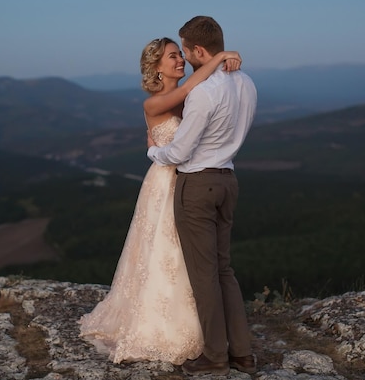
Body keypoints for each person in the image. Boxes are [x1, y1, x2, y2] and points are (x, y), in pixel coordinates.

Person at [78, 36, 242, 365]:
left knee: (192, 256)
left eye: (181, 54)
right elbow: (191, 88)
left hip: (191, 182)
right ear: (156, 68)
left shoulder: (192, 95)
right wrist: (221, 55)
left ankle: (205, 329)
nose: (180, 60)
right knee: (164, 251)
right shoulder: (154, 103)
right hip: (165, 185)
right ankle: (167, 325)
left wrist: (226, 64)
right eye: (172, 57)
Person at [147, 16, 258, 376]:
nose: (183, 59)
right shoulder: (247, 84)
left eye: (184, 50)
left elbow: (178, 153)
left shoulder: (203, 92)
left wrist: (153, 153)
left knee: (205, 275)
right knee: (225, 270)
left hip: (197, 185)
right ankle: (242, 353)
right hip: (229, 180)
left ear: (197, 50)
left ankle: (215, 356)